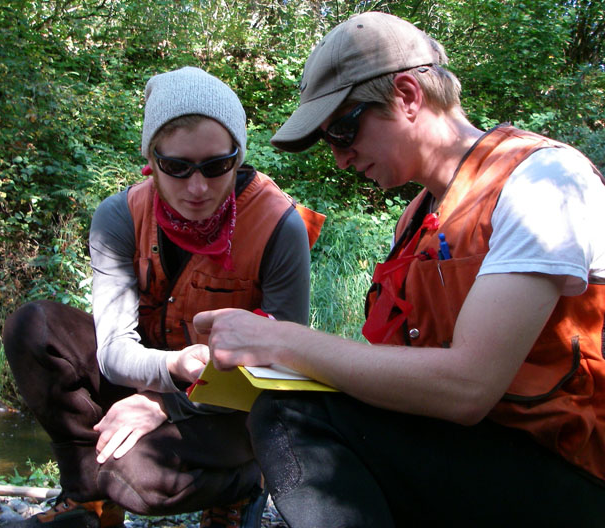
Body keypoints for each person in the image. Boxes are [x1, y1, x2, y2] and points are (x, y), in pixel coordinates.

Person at [193, 12, 605, 527]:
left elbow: (469, 387)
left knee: (291, 416)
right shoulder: (415, 220)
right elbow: (403, 379)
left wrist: (281, 342)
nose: (340, 158)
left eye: (343, 130)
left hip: (568, 473)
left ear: (408, 95)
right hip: (469, 455)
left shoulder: (543, 180)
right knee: (291, 406)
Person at [2, 66, 323, 528]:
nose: (198, 187)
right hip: (154, 373)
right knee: (33, 327)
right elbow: (113, 352)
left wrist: (164, 404)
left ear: (238, 157)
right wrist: (172, 370)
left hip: (236, 410)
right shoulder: (119, 217)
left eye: (216, 166)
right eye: (177, 167)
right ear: (151, 159)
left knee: (132, 477)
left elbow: (282, 375)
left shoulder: (280, 227)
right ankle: (87, 498)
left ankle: (243, 485)